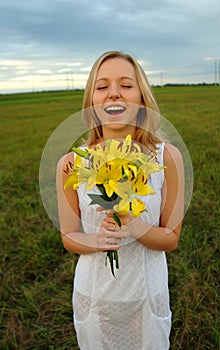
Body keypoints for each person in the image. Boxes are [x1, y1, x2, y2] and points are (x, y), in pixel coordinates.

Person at [56, 50, 184, 350]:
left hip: (146, 296)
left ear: (141, 97)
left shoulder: (167, 158)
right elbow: (68, 236)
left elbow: (171, 238)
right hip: (95, 296)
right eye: (102, 87)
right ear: (91, 99)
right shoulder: (71, 163)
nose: (114, 93)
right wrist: (98, 241)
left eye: (126, 85)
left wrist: (134, 227)